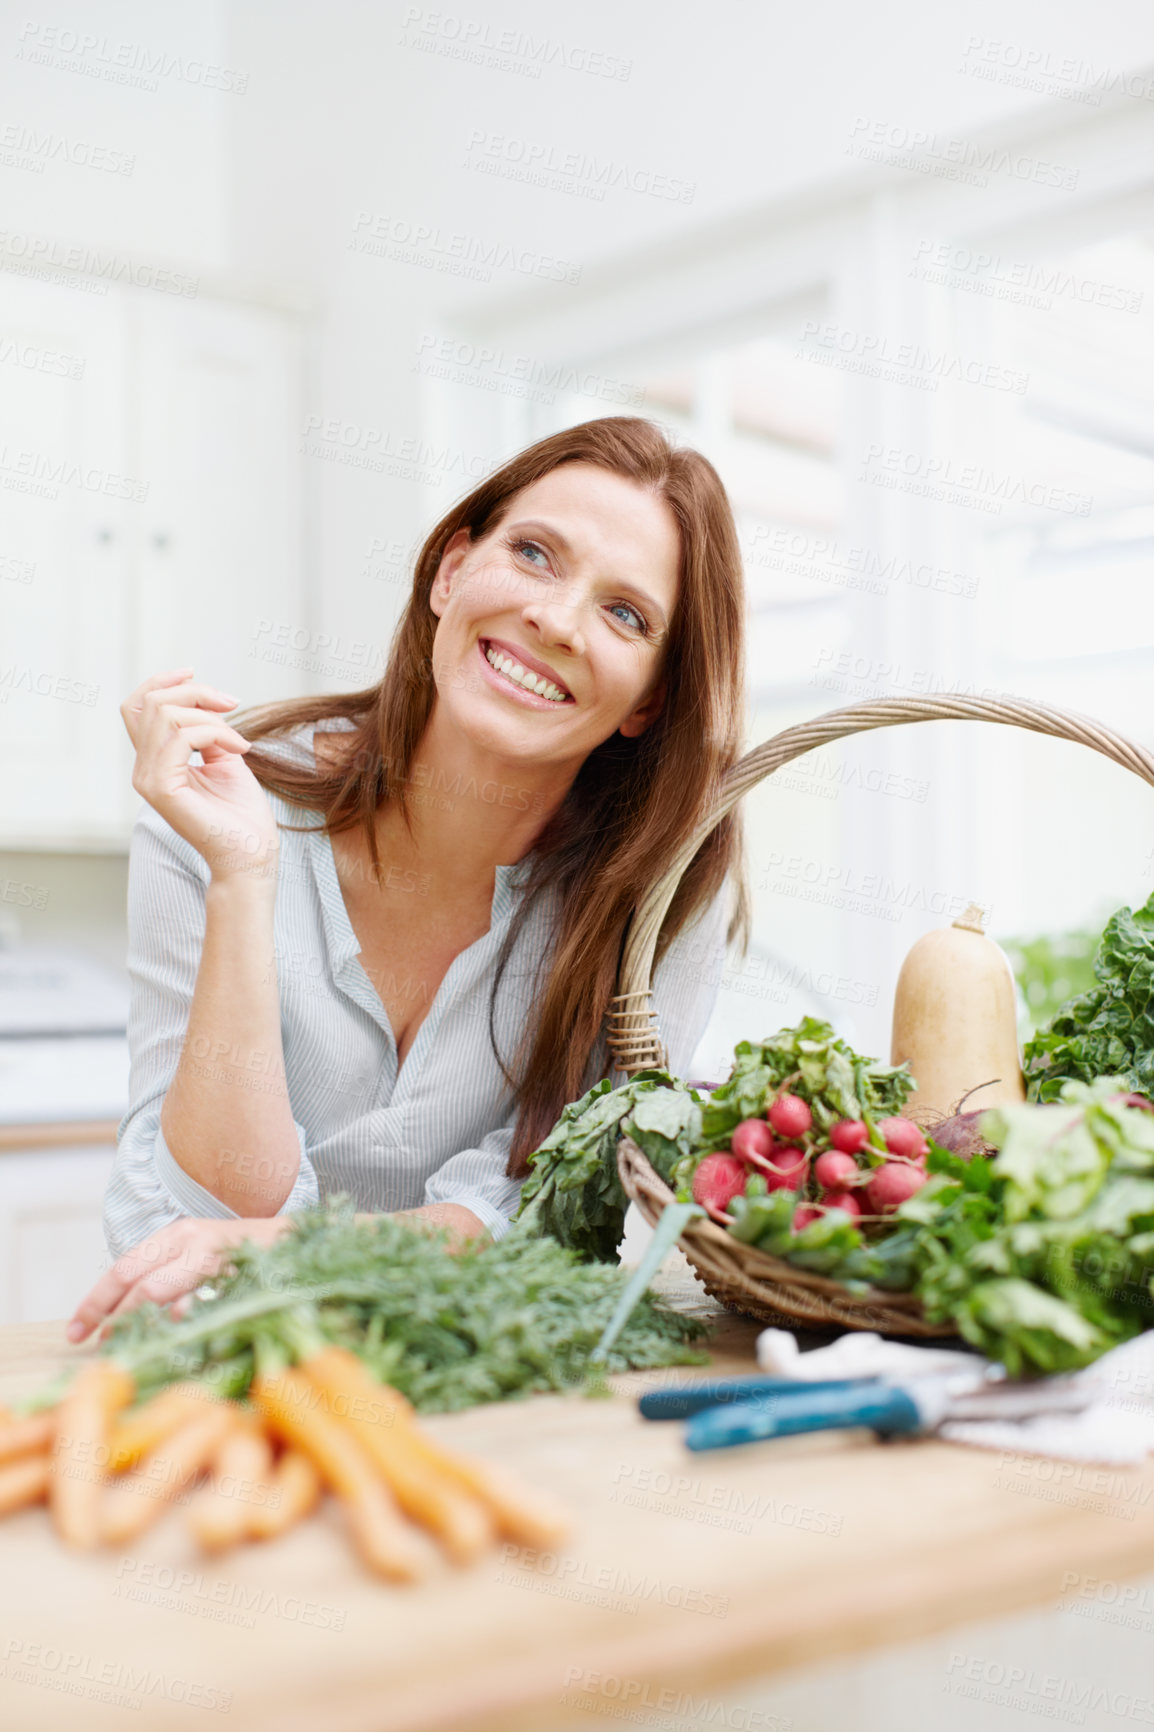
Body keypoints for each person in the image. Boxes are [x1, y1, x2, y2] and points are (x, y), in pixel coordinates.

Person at [68, 416, 748, 1342]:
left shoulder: (660, 888)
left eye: (624, 613)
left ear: (651, 700)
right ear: (451, 572)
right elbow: (210, 1225)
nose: (553, 619)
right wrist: (242, 876)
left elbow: (540, 1211)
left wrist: (301, 1259)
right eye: (535, 554)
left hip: (477, 1368)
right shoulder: (221, 809)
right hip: (213, 1360)